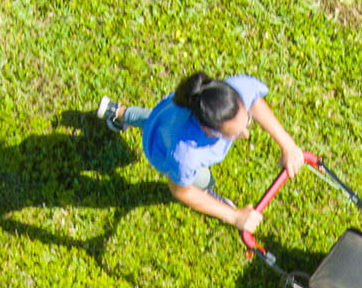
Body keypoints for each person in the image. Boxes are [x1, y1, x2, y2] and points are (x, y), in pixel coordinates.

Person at [97, 72, 307, 235]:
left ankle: (119, 112)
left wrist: (287, 144)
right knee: (202, 178)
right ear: (209, 131)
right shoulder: (186, 155)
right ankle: (208, 192)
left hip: (166, 118)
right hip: (162, 143)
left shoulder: (236, 89)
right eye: (235, 134)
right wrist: (234, 216)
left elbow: (254, 101)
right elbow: (180, 190)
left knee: (153, 120)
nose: (246, 134)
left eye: (247, 121)